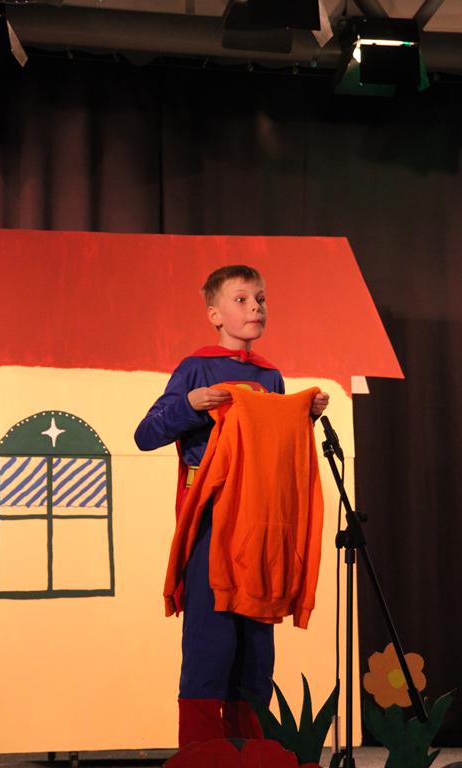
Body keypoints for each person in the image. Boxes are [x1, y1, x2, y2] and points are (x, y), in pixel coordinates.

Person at [134, 264, 329, 747]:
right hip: (214, 519)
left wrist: (303, 418)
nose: (255, 308)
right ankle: (203, 752)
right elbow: (145, 434)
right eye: (241, 300)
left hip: (260, 524)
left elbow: (272, 451)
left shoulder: (270, 375)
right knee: (212, 637)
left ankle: (251, 750)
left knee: (256, 645)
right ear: (214, 314)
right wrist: (192, 403)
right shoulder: (196, 368)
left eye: (260, 299)